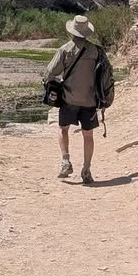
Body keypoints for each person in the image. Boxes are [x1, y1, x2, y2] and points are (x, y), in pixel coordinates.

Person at [43, 15, 100, 184]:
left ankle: (66, 161)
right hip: (90, 100)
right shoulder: (96, 51)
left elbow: (49, 74)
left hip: (69, 98)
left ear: (72, 32)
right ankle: (87, 169)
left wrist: (59, 83)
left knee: (63, 129)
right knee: (88, 134)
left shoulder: (65, 49)